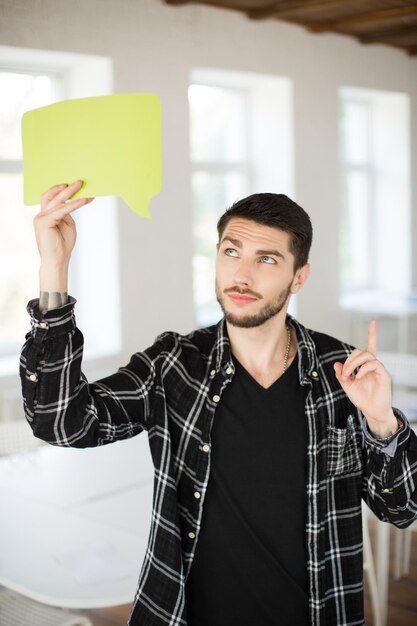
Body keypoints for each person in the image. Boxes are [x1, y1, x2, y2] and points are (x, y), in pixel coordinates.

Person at [20, 180, 417, 626]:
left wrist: (382, 422)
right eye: (232, 252)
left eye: (266, 259)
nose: (242, 275)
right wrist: (53, 268)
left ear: (299, 277)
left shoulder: (341, 374)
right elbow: (62, 423)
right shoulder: (174, 365)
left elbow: (403, 508)